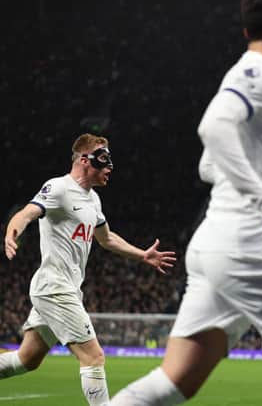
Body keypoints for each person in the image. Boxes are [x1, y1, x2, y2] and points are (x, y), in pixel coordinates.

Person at [110, 0, 262, 405]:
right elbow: (213, 127)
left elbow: (209, 164)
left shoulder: (251, 73)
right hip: (245, 243)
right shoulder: (258, 72)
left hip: (215, 245)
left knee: (173, 383)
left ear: (246, 30)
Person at [0, 133, 176, 405]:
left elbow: (107, 239)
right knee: (93, 357)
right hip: (55, 288)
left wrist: (143, 255)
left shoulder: (93, 200)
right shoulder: (58, 188)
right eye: (103, 160)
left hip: (66, 288)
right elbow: (27, 213)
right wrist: (12, 232)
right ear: (84, 160)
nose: (110, 168)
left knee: (27, 360)